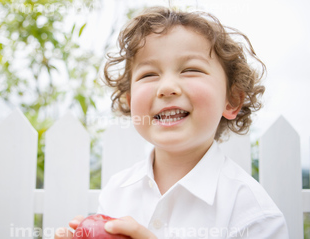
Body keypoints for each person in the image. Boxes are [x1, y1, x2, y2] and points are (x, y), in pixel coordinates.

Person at [55, 6, 289, 239]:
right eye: (148, 74)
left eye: (191, 70)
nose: (166, 87)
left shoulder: (253, 214)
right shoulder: (117, 191)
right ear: (130, 101)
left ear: (231, 100)